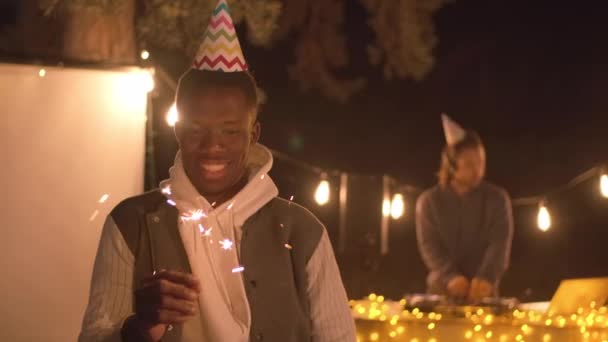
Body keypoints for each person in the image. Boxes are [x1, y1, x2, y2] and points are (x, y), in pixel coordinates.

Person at [78, 1, 356, 341]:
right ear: (178, 130)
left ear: (253, 135)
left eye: (229, 130)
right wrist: (139, 327)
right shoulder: (131, 224)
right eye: (197, 129)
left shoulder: (301, 232)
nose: (213, 145)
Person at [415, 114, 514, 303]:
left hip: (483, 290)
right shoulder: (429, 201)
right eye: (470, 164)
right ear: (452, 166)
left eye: (481, 163)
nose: (478, 170)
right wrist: (450, 275)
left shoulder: (497, 198)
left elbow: (500, 243)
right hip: (441, 289)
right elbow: (430, 245)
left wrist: (486, 276)